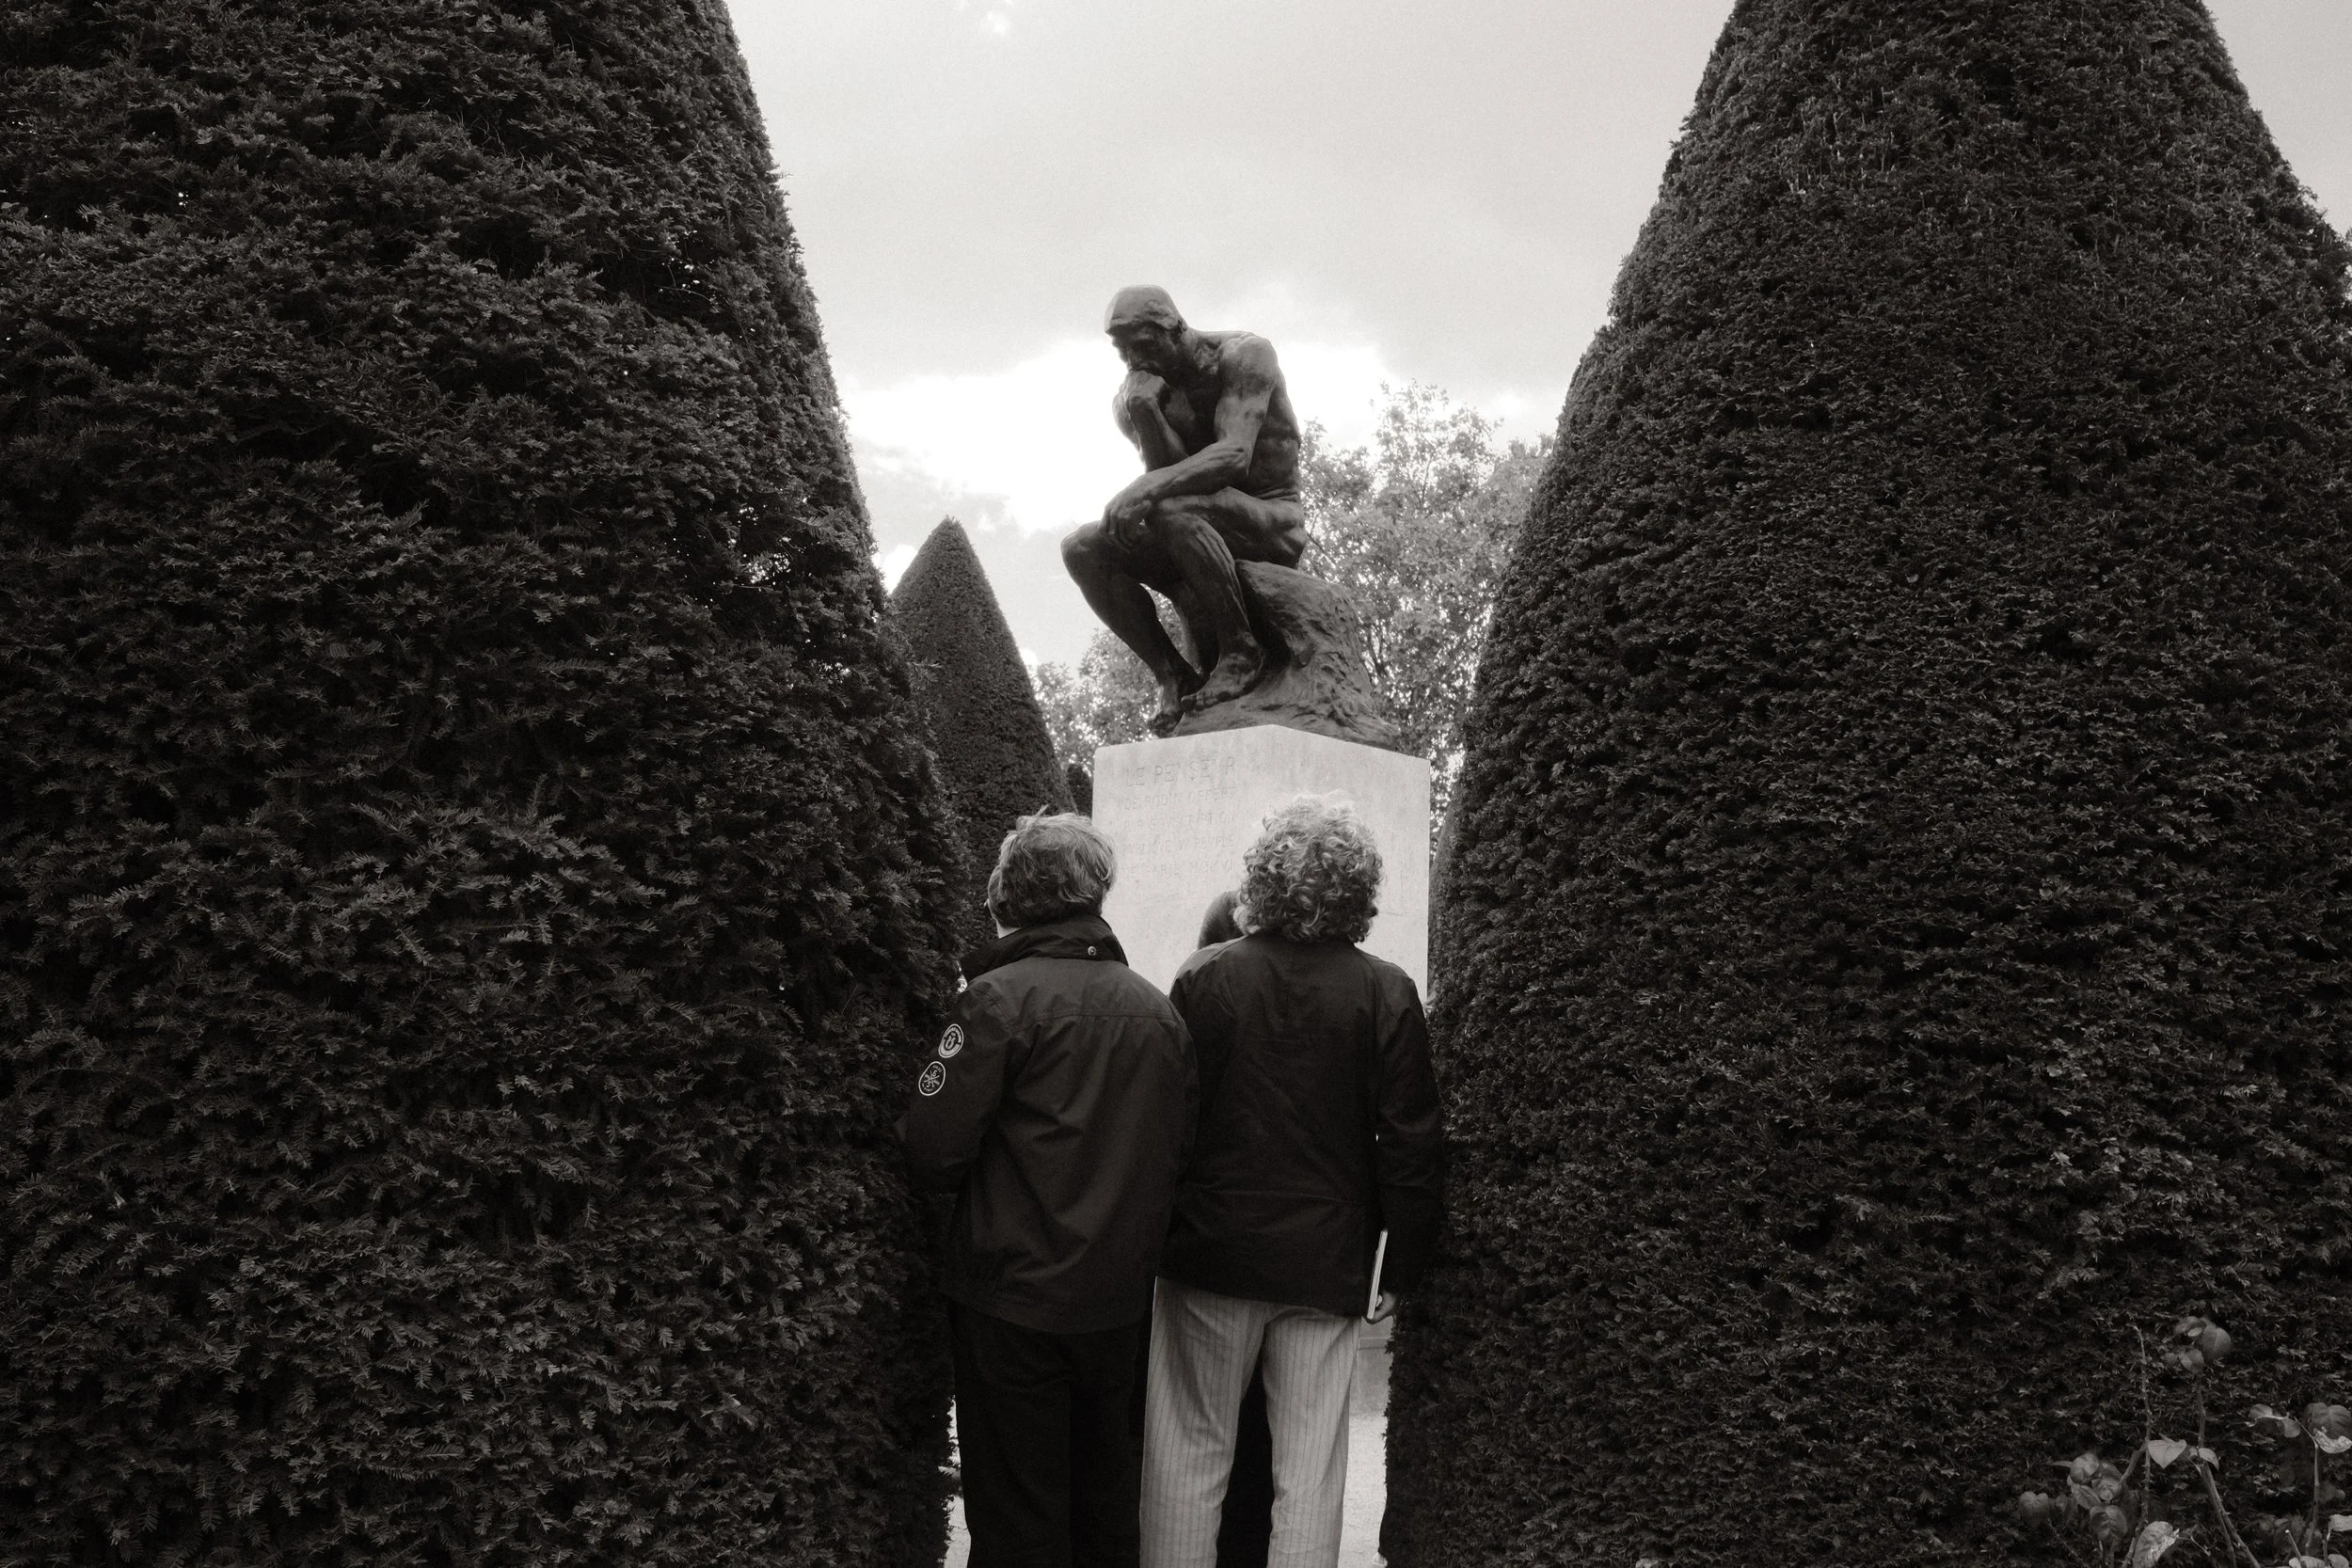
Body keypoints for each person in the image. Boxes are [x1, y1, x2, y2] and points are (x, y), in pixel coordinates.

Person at [1140, 799, 1446, 1568]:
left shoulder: (1205, 976)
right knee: (1309, 1470)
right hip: (1327, 1259)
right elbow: (1411, 1142)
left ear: (1262, 881)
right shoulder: (1386, 990)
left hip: (1210, 1253)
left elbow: (1165, 1126)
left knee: (1187, 1454)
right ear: (1359, 889)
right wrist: (1400, 1262)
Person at [902, 812, 1197, 1568]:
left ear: (1011, 892)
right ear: (1095, 893)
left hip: (1014, 1301)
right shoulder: (1157, 1011)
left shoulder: (997, 1001)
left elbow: (932, 1151)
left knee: (1017, 1516)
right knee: (1104, 1508)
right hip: (1116, 1304)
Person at [1061, 286, 1310, 734]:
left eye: (1142, 344)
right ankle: (1172, 674)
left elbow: (1235, 455)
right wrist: (1145, 413)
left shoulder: (1244, 355)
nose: (1133, 359)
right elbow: (1168, 473)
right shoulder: (1136, 396)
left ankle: (1241, 651)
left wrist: (1147, 488)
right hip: (1194, 522)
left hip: (1272, 520)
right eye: (1122, 350)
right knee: (1082, 548)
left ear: (1174, 328)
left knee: (1169, 505)